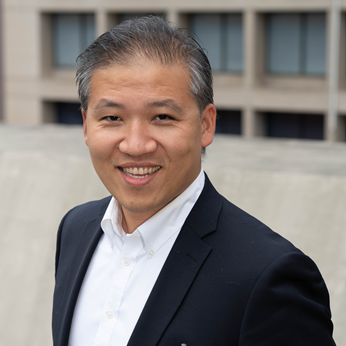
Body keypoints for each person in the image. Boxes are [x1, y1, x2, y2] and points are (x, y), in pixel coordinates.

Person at [52, 16, 336, 346]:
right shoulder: (75, 229)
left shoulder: (267, 276)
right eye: (112, 118)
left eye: (162, 117)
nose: (136, 144)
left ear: (205, 125)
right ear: (87, 125)